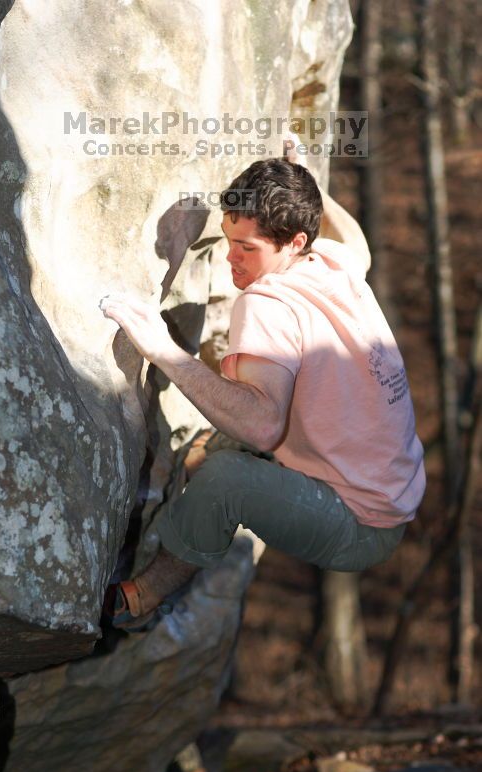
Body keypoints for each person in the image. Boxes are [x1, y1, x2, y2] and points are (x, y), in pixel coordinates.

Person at [99, 156, 426, 631]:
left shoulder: (267, 301)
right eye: (229, 240)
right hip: (394, 491)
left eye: (246, 248)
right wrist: (312, 178)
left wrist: (163, 351)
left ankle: (148, 593)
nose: (231, 257)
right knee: (235, 429)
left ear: (295, 242)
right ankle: (204, 469)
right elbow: (358, 243)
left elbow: (263, 424)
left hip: (358, 523)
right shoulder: (331, 262)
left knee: (226, 477)